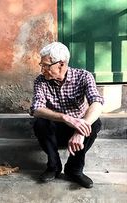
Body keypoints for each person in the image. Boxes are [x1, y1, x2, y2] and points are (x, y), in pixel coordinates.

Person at [30, 42, 104, 188]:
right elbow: (36, 109)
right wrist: (65, 117)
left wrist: (80, 129)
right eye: (41, 65)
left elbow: (97, 103)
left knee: (95, 123)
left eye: (46, 65)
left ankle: (74, 169)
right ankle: (54, 166)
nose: (42, 69)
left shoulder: (84, 76)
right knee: (40, 122)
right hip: (55, 132)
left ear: (61, 64)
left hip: (78, 132)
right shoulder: (41, 81)